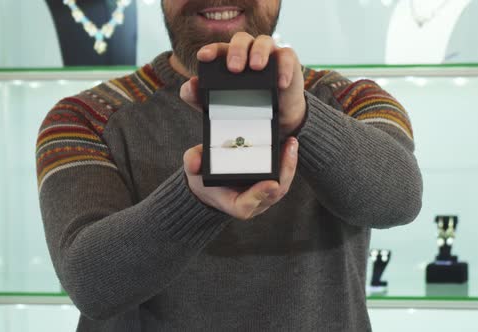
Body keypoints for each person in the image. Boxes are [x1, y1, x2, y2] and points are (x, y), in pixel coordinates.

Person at [36, 0, 423, 330]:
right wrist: (194, 200)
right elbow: (91, 283)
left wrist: (303, 118)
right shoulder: (85, 117)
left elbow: (399, 198)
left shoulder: (354, 98)